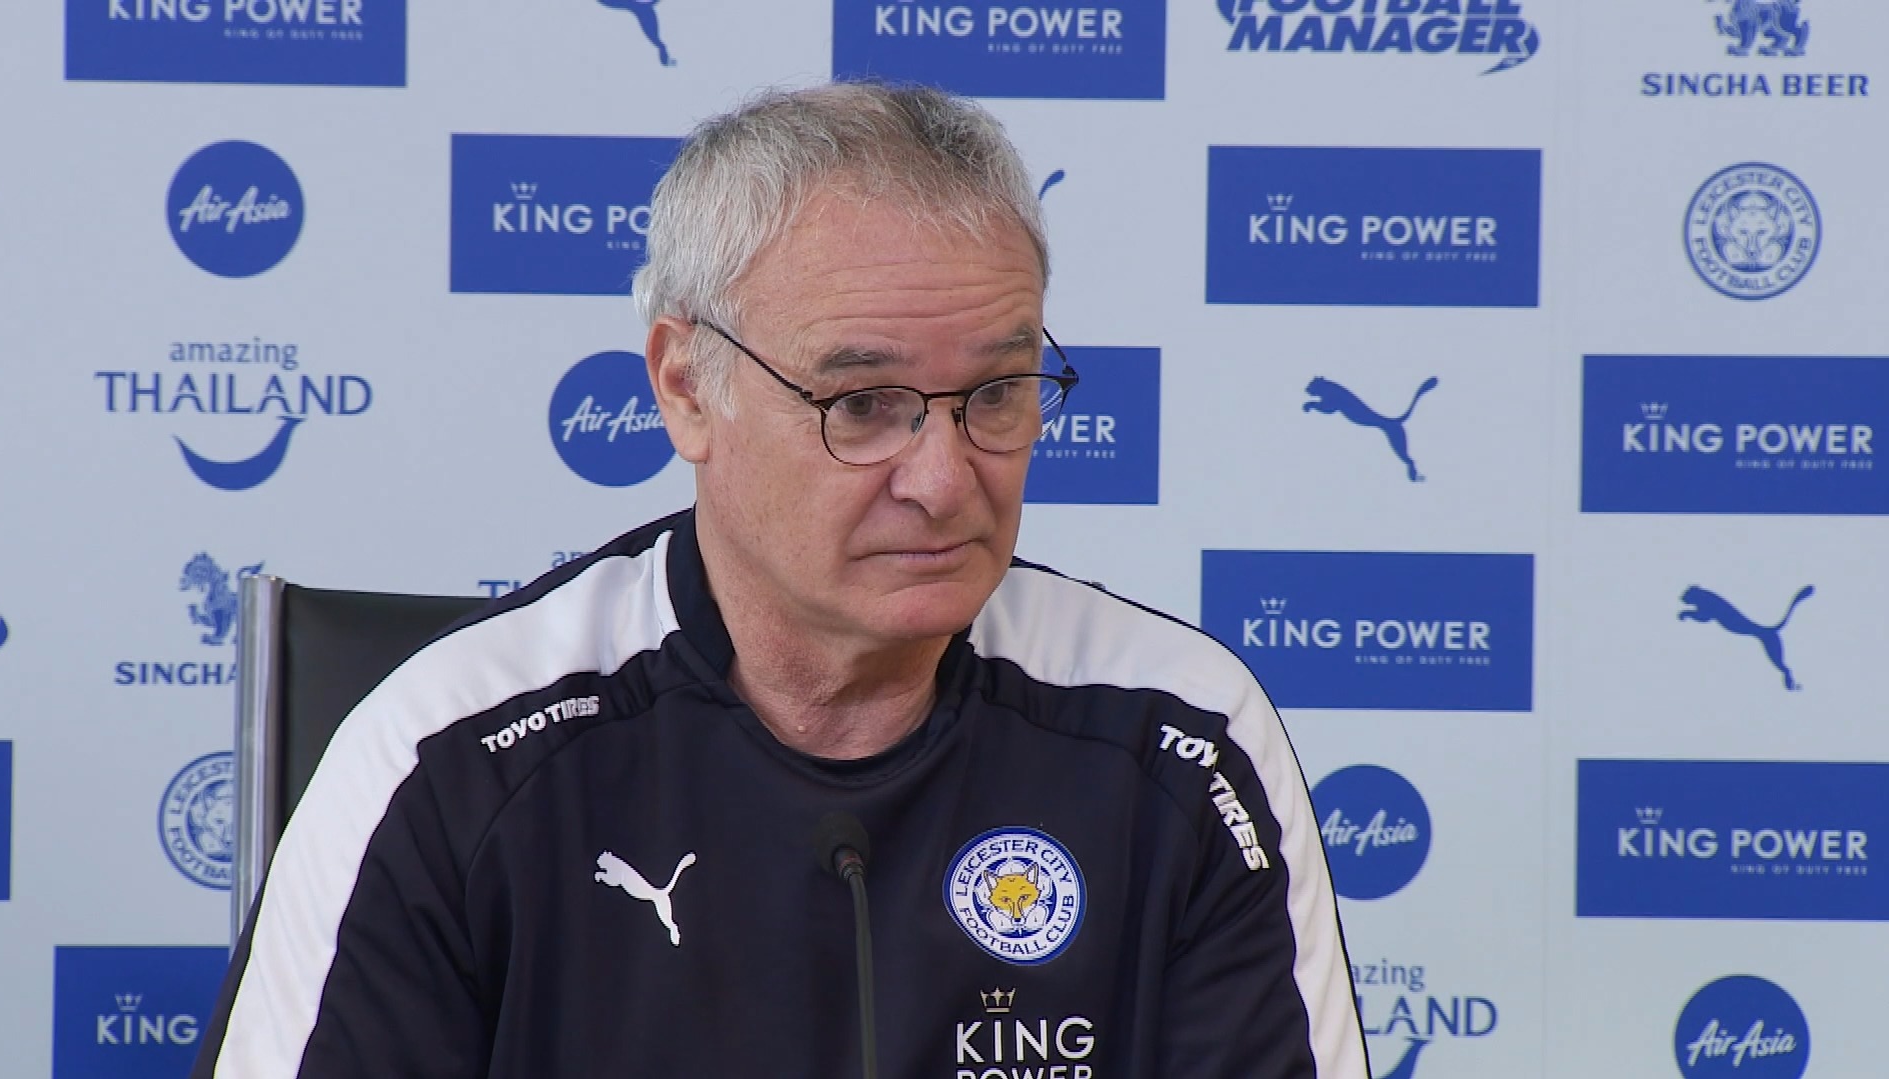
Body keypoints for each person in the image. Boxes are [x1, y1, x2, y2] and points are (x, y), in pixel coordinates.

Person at [191, 82, 1367, 1078]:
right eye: (864, 405)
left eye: (997, 393)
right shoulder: (446, 760)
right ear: (687, 389)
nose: (943, 479)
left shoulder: (1179, 739)